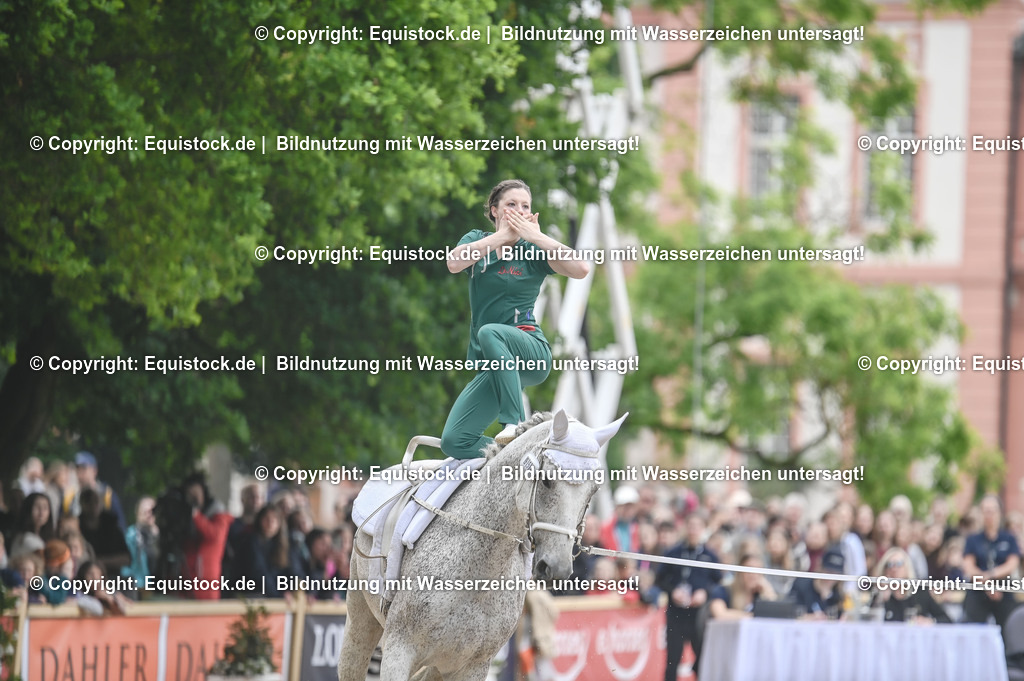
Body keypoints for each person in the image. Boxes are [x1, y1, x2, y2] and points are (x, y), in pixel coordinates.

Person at [440, 179, 590, 458]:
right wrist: (502, 237)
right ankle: (518, 456)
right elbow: (454, 262)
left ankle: (515, 424)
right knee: (454, 441)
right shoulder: (478, 241)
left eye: (525, 206)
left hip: (530, 350)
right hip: (496, 365)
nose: (519, 210)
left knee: (489, 332)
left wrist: (536, 237)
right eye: (511, 205)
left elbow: (581, 268)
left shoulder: (533, 252)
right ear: (495, 210)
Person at [656, 513, 721, 681]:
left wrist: (705, 592)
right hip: (676, 613)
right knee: (672, 659)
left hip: (699, 614)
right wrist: (672, 591)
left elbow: (719, 582)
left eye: (697, 526)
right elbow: (660, 579)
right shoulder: (673, 553)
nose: (693, 530)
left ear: (703, 529)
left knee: (701, 657)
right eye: (690, 525)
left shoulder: (710, 556)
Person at [963, 494, 1021, 631]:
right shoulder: (973, 540)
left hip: (1003, 590)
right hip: (979, 590)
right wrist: (986, 583)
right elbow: (969, 567)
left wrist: (992, 576)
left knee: (1008, 627)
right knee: (972, 625)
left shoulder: (1009, 538)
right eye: (986, 511)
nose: (989, 515)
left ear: (999, 512)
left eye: (992, 510)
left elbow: (1012, 563)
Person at [181, 473, 233, 600]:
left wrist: (196, 515)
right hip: (186, 579)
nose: (192, 498)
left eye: (196, 494)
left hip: (207, 580)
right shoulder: (186, 517)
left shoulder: (218, 514)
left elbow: (214, 535)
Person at [873, 547, 950, 623]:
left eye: (899, 564)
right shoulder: (879, 594)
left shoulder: (920, 593)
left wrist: (930, 621)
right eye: (890, 565)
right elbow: (868, 620)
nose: (894, 568)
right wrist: (880, 600)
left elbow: (947, 620)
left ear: (907, 567)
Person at [65, 451, 126, 530]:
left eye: (84, 468)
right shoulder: (70, 496)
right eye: (77, 469)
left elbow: (120, 524)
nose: (79, 473)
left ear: (94, 470)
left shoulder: (107, 495)